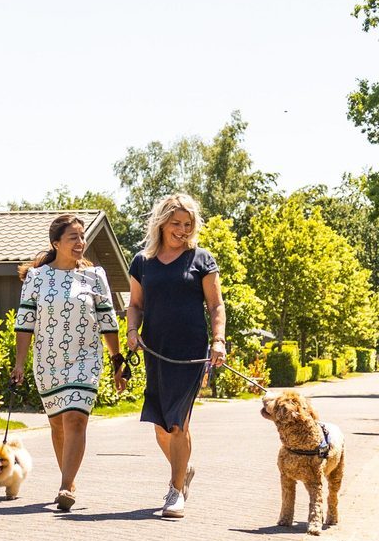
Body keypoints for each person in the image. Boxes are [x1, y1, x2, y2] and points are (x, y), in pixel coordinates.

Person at [12, 214, 126, 512]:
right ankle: (69, 478)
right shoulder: (37, 278)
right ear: (56, 243)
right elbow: (25, 322)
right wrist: (19, 363)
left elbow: (108, 320)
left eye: (82, 236)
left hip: (86, 357)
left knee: (76, 417)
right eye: (73, 237)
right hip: (48, 360)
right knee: (58, 424)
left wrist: (117, 360)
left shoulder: (94, 275)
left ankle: (65, 485)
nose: (80, 242)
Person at [126, 192, 226, 519]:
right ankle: (183, 469)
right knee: (159, 426)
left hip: (191, 353)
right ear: (162, 223)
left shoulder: (201, 259)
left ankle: (175, 490)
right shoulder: (143, 261)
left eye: (188, 224)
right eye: (176, 223)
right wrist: (131, 331)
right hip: (156, 351)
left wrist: (219, 341)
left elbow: (216, 305)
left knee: (177, 424)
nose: (182, 230)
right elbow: (136, 304)